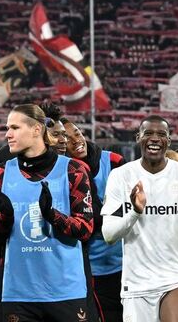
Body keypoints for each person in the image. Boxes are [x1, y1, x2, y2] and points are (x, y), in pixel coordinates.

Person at [0, 104, 96, 322]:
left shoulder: (73, 170)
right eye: (8, 128)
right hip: (18, 293)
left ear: (37, 130)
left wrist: (51, 215)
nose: (8, 134)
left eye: (15, 128)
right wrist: (5, 218)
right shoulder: (1, 172)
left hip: (66, 291)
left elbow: (86, 230)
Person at [102, 115, 178, 322]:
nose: (155, 138)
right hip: (137, 283)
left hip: (176, 277)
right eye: (148, 133)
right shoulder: (121, 176)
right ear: (138, 137)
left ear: (169, 140)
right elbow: (109, 235)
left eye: (161, 134)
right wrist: (134, 212)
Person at [63, 119, 126, 322]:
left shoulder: (114, 162)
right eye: (67, 138)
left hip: (123, 264)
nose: (76, 140)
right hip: (86, 267)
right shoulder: (61, 172)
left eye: (78, 133)